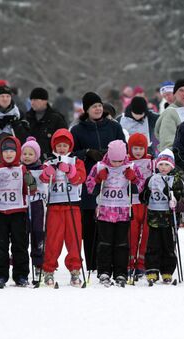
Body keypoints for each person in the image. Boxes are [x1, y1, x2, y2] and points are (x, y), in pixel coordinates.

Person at [70, 91, 125, 276]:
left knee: (109, 224)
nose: (98, 109)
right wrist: (86, 152)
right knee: (90, 223)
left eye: (100, 105)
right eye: (94, 106)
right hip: (88, 181)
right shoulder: (77, 129)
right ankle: (93, 264)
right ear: (86, 110)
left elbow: (123, 149)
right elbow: (71, 154)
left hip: (113, 182)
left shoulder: (113, 127)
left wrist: (111, 155)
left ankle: (109, 264)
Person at [0, 136, 37, 288]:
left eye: (12, 151)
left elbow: (32, 191)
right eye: (5, 151)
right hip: (0, 212)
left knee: (20, 245)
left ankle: (21, 275)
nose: (8, 154)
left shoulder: (22, 168)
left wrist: (30, 182)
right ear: (1, 152)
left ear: (17, 152)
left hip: (19, 211)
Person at [86, 140, 142, 287]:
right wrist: (98, 179)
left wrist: (134, 178)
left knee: (122, 244)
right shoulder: (100, 166)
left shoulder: (131, 166)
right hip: (105, 210)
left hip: (123, 211)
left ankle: (121, 272)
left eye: (119, 160)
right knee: (105, 243)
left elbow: (142, 186)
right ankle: (104, 271)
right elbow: (89, 186)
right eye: (113, 160)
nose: (116, 164)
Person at [39, 129, 87, 287]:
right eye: (58, 145)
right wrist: (47, 173)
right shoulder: (49, 161)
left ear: (70, 146)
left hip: (72, 206)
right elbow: (42, 180)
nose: (61, 148)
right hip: (55, 207)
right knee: (53, 240)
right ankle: (49, 270)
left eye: (65, 145)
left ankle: (75, 270)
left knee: (74, 240)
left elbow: (80, 178)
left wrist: (70, 171)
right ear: (54, 146)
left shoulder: (76, 161)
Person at [139, 149, 184, 285]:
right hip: (154, 217)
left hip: (169, 218)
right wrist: (146, 195)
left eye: (166, 165)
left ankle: (167, 271)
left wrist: (176, 201)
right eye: (161, 164)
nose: (163, 168)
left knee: (168, 245)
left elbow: (181, 196)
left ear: (172, 166)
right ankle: (152, 270)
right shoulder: (152, 179)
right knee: (153, 245)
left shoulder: (176, 179)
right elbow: (144, 196)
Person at [127, 133, 154, 280]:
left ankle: (141, 263)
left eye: (141, 149)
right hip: (131, 202)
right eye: (135, 148)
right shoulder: (126, 161)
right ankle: (130, 262)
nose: (138, 152)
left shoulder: (150, 161)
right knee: (132, 233)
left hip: (146, 203)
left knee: (146, 234)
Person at [21, 136, 46, 280]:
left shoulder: (41, 168)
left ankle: (38, 263)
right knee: (23, 233)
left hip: (37, 204)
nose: (27, 157)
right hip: (23, 204)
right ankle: (22, 264)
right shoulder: (19, 168)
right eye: (25, 154)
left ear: (36, 155)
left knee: (38, 233)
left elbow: (48, 179)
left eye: (31, 154)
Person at [25, 87, 68, 159]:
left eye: (35, 100)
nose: (32, 103)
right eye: (31, 100)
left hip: (50, 162)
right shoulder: (26, 118)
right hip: (29, 162)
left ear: (44, 101)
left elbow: (64, 141)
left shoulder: (57, 119)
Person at [154, 79, 184, 151]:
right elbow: (165, 138)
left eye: (168, 94)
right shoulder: (167, 109)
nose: (167, 98)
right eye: (164, 96)